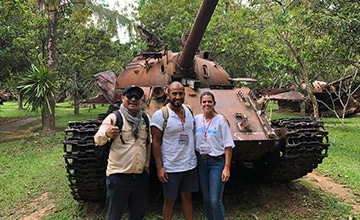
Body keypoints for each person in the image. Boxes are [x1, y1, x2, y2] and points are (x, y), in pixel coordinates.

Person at [94, 85, 151, 220]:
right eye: (129, 96)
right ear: (122, 98)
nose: (133, 99)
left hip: (139, 176)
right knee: (114, 214)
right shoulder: (114, 118)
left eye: (137, 97)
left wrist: (147, 165)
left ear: (141, 100)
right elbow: (98, 139)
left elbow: (147, 143)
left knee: (137, 214)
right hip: (119, 177)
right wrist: (107, 134)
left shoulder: (145, 119)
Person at [151, 81, 198, 220]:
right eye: (174, 94)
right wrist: (160, 167)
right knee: (170, 200)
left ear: (184, 94)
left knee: (187, 196)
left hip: (189, 164)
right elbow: (156, 142)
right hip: (171, 166)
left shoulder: (189, 111)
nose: (178, 97)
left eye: (180, 93)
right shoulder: (160, 115)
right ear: (168, 94)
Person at [195, 91, 235, 220]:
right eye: (204, 102)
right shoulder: (196, 119)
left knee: (215, 200)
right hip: (202, 161)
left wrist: (226, 167)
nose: (207, 104)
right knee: (206, 199)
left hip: (217, 163)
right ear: (201, 104)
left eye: (209, 101)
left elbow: (228, 145)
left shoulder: (220, 120)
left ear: (214, 104)